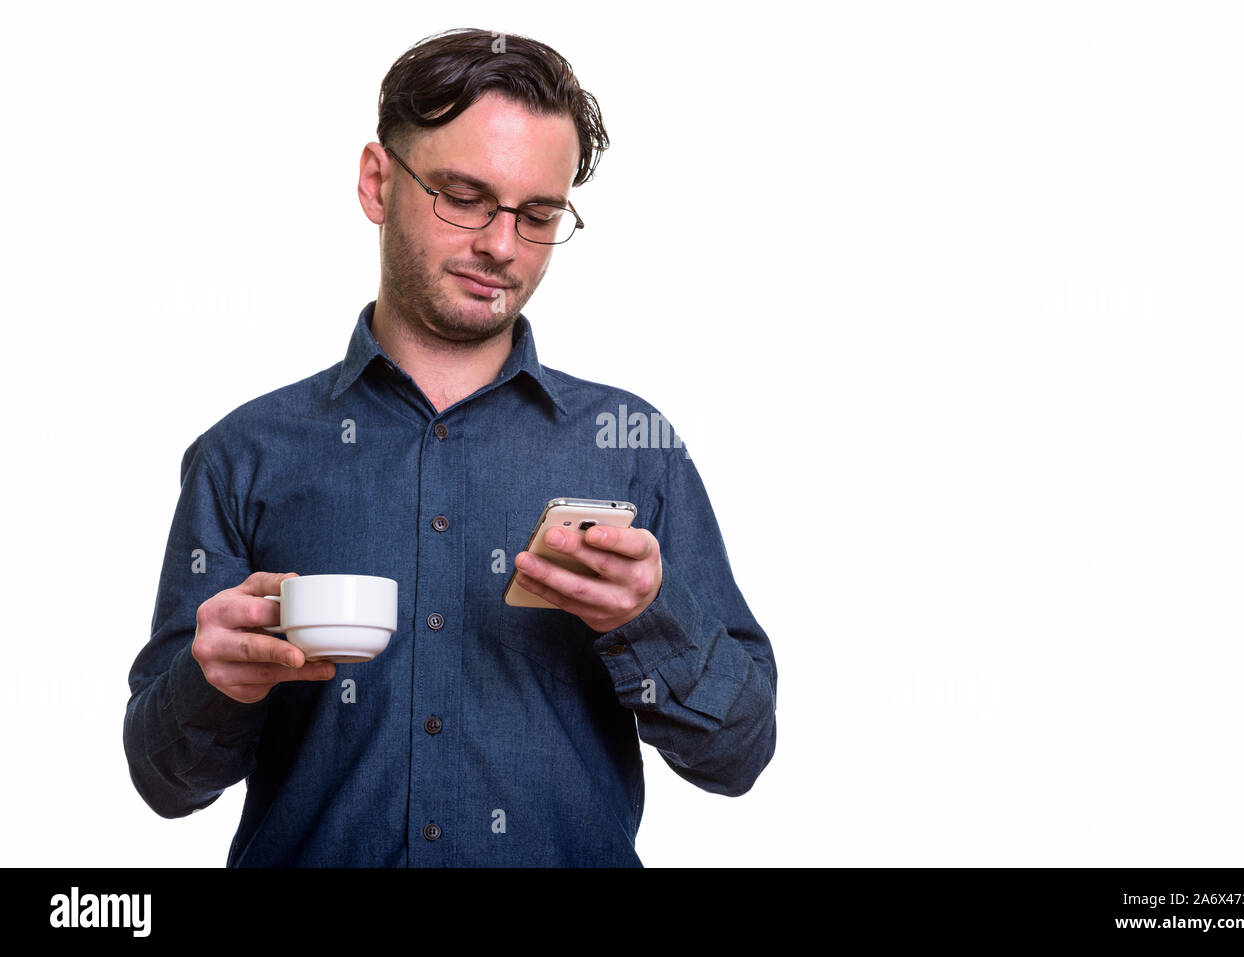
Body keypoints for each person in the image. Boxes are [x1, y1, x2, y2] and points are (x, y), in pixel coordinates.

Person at [124, 27, 777, 867]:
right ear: (377, 181)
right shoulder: (244, 454)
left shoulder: (634, 450)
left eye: (539, 213)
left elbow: (739, 755)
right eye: (464, 197)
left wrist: (644, 619)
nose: (502, 245)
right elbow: (164, 781)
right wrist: (210, 683)